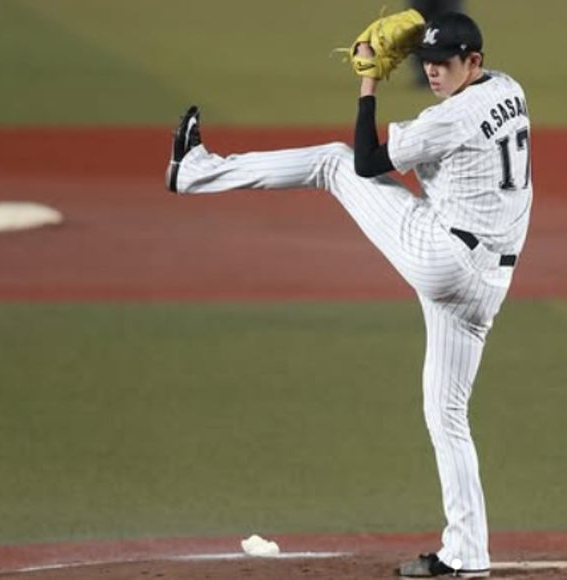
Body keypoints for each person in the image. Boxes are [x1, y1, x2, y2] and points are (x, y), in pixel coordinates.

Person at [166, 11, 532, 578]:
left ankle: (193, 171)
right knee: (447, 415)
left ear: (473, 63)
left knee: (335, 163)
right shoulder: (510, 90)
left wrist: (368, 83)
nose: (433, 72)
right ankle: (467, 554)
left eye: (444, 63)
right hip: (489, 283)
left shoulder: (451, 118)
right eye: (427, 63)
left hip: (445, 260)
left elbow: (368, 160)